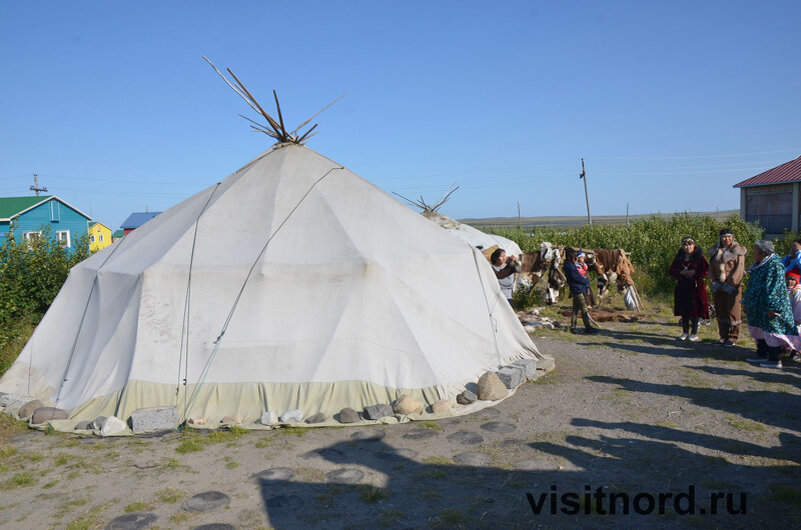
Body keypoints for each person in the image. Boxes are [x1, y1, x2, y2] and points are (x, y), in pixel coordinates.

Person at [743, 240, 797, 369]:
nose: (753, 253)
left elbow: (776, 288)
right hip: (758, 306)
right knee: (760, 330)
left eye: (755, 250)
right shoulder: (758, 264)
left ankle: (775, 359)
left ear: (763, 252)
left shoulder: (775, 265)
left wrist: (773, 308)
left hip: (770, 307)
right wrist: (747, 302)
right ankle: (761, 353)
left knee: (772, 331)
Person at [707, 228, 747, 346]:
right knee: (721, 310)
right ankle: (723, 336)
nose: (727, 239)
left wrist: (731, 283)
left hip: (733, 286)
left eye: (729, 236)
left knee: (733, 311)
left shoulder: (738, 251)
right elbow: (711, 269)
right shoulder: (715, 251)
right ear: (720, 238)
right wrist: (713, 282)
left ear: (732, 237)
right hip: (718, 286)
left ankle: (733, 337)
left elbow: (739, 269)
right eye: (724, 237)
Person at [668, 237, 710, 341]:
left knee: (695, 309)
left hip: (696, 286)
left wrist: (694, 273)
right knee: (684, 309)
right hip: (683, 285)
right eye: (685, 245)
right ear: (682, 246)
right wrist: (681, 272)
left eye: (690, 245)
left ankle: (694, 333)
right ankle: (685, 332)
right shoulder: (679, 257)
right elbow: (672, 270)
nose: (688, 247)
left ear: (694, 245)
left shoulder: (700, 257)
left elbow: (706, 271)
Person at [563, 248, 600, 334]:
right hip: (577, 289)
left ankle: (573, 326)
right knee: (584, 308)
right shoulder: (571, 267)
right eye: (575, 257)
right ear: (572, 257)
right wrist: (586, 281)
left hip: (576, 289)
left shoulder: (568, 265)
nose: (576, 258)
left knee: (575, 309)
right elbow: (577, 278)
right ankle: (588, 327)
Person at [786, 270, 801, 362]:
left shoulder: (798, 291)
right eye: (787, 279)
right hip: (788, 317)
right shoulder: (786, 290)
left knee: (797, 332)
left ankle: (797, 351)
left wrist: (796, 319)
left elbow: (798, 307)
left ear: (796, 280)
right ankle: (787, 348)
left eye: (792, 279)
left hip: (796, 319)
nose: (789, 281)